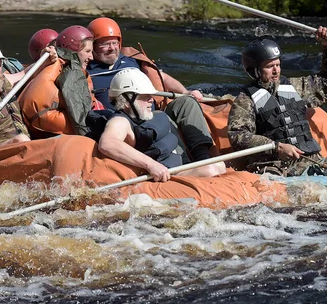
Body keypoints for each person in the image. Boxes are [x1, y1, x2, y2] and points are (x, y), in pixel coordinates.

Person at [86, 17, 216, 161]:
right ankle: (184, 162)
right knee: (162, 118)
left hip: (150, 110)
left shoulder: (131, 60)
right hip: (128, 120)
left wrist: (185, 92)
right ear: (93, 45)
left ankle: (203, 156)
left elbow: (162, 77)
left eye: (114, 42)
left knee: (187, 103)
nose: (112, 48)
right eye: (105, 44)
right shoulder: (87, 71)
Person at [227, 26, 327, 176]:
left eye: (278, 64)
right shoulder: (245, 100)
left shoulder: (294, 87)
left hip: (310, 161)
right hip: (276, 167)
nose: (276, 70)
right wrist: (276, 147)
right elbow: (238, 136)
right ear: (254, 70)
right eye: (269, 66)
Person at [98, 68, 225, 182]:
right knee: (210, 171)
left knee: (220, 165)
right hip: (168, 174)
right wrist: (151, 165)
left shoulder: (141, 115)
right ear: (126, 101)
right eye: (145, 96)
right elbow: (107, 143)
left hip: (180, 163)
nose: (151, 99)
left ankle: (202, 157)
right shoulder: (120, 121)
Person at [19, 25, 105, 139]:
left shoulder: (56, 64)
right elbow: (78, 113)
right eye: (88, 51)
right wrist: (92, 135)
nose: (91, 57)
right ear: (74, 50)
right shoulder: (72, 71)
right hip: (46, 121)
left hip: (33, 122)